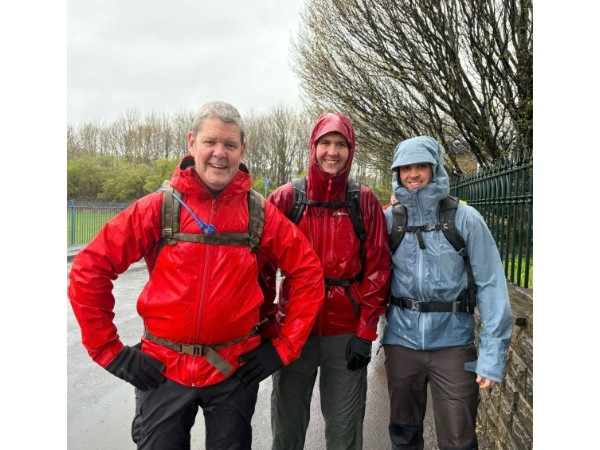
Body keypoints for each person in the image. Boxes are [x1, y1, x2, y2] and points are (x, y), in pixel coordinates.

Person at [67, 100, 325, 450]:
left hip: (234, 370)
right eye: (210, 142)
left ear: (242, 149)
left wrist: (283, 348)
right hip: (162, 370)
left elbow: (308, 274)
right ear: (192, 143)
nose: (220, 153)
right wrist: (109, 352)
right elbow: (89, 269)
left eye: (230, 144)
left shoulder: (260, 215)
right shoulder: (158, 208)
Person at [260, 112, 391, 449]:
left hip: (346, 333)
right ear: (313, 147)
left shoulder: (363, 201)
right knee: (287, 428)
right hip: (294, 331)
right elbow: (262, 267)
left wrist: (365, 332)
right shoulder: (287, 198)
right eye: (326, 143)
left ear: (351, 150)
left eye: (341, 144)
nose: (332, 152)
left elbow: (378, 269)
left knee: (344, 431)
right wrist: (268, 324)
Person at [382, 135, 513, 450]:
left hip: (453, 345)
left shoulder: (466, 219)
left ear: (435, 168)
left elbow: (492, 286)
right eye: (405, 168)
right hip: (401, 343)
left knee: (459, 439)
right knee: (403, 435)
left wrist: (492, 356)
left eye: (421, 166)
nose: (413, 174)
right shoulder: (389, 221)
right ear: (397, 173)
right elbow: (370, 278)